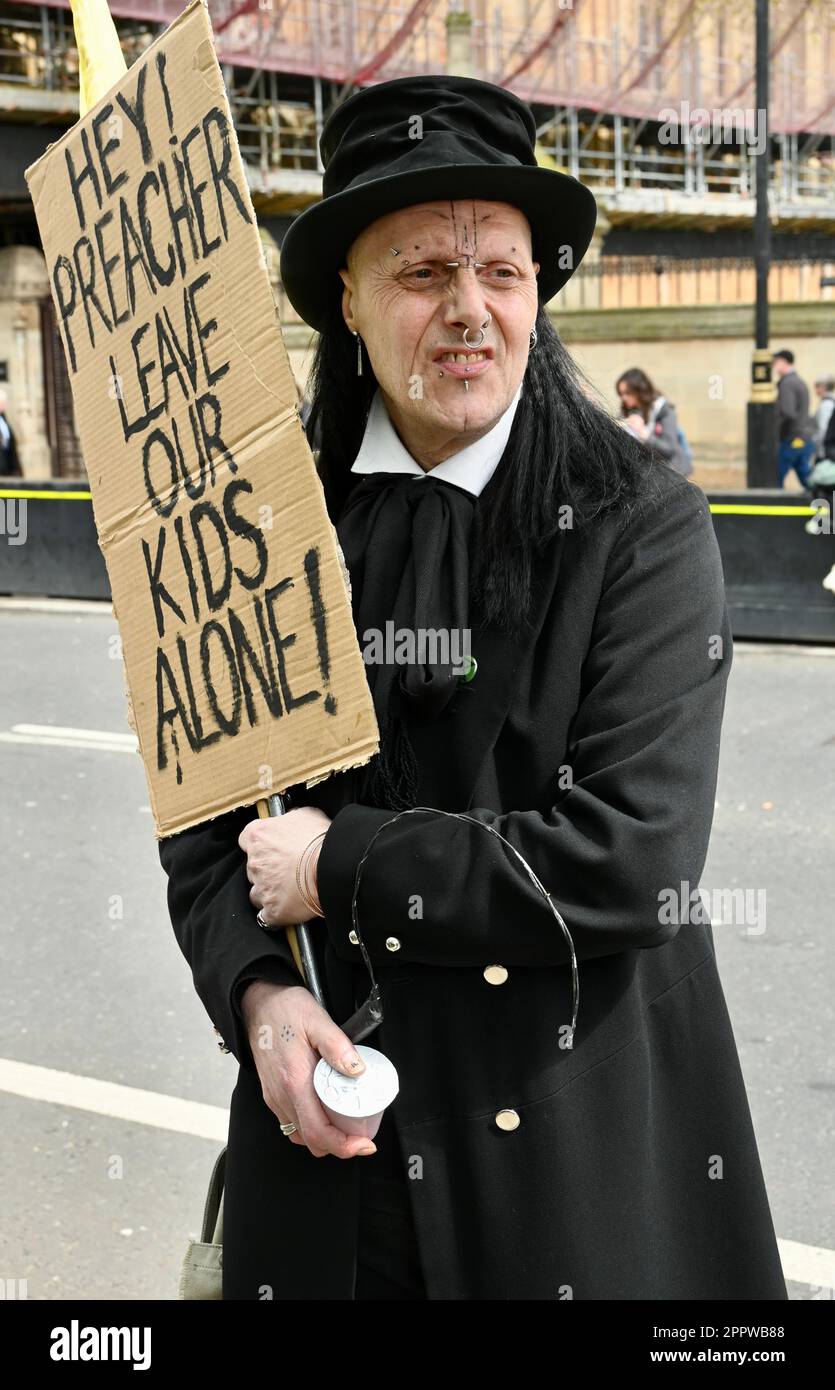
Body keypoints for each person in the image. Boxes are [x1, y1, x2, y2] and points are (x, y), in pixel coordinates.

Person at [158, 75, 787, 1301]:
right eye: (421, 274)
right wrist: (259, 998)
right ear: (345, 299)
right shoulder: (262, 528)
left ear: (536, 291)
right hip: (328, 1174)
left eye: (498, 271)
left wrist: (340, 864)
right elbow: (202, 829)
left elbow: (630, 852)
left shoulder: (639, 524)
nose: (469, 311)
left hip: (561, 1171)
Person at [615, 367, 692, 476]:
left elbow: (669, 449)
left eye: (628, 393)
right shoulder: (627, 410)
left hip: (671, 472)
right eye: (621, 394)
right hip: (645, 470)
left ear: (639, 390)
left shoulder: (664, 410)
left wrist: (643, 433)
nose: (624, 398)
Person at [773, 349, 816, 489]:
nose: (774, 366)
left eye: (776, 362)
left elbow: (788, 412)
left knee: (774, 479)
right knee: (807, 478)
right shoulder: (798, 381)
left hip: (791, 439)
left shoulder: (787, 383)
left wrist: (775, 430)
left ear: (784, 362)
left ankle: (773, 509)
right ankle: (827, 503)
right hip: (803, 439)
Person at [812, 375, 835, 460]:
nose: (815, 390)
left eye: (817, 387)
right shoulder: (830, 403)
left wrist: (821, 451)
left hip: (824, 452)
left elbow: (824, 430)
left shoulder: (826, 405)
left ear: (823, 387)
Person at [0, 388, 21, 477]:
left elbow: (10, 443)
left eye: (4, 403)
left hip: (8, 466)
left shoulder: (4, 420)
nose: (4, 405)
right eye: (2, 403)